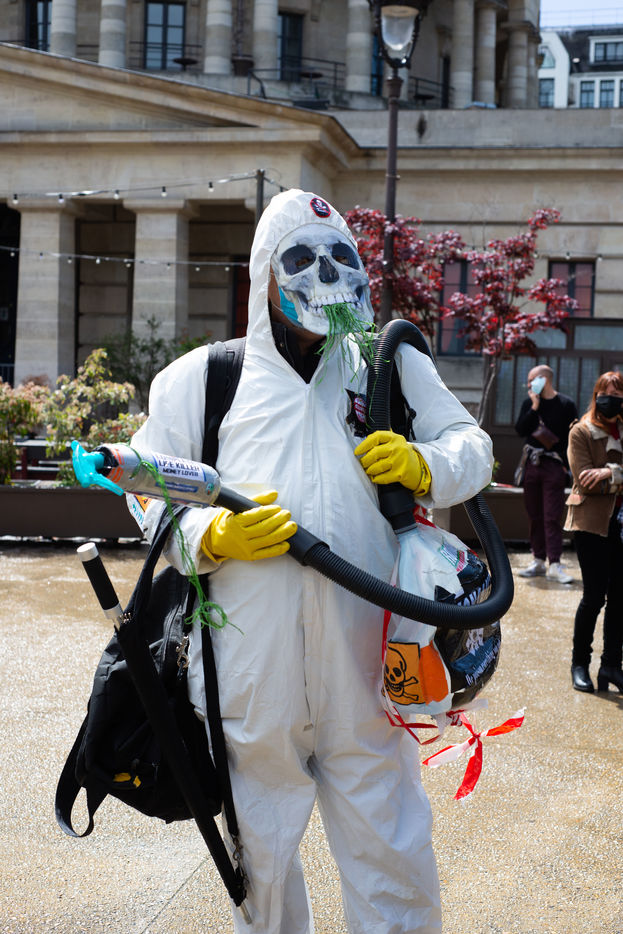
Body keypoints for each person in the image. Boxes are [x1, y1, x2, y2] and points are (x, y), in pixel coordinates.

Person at [129, 189, 494, 934]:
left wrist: (424, 465)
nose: (324, 274)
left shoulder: (386, 367)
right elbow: (146, 490)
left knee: (392, 854)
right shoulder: (204, 381)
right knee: (258, 867)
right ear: (264, 271)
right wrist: (210, 537)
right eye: (300, 258)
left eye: (340, 256)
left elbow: (472, 448)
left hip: (368, 666)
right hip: (249, 669)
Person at [564, 371, 623, 694]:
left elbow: (601, 479)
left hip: (620, 525)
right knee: (594, 597)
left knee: (620, 599)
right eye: (605, 393)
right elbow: (585, 479)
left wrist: (609, 473)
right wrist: (613, 477)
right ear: (596, 395)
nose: (610, 399)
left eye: (617, 394)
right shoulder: (581, 431)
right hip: (591, 525)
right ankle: (580, 664)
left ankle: (612, 666)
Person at [515, 364, 578, 583]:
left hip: (554, 465)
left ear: (544, 379)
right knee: (534, 514)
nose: (529, 384)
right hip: (532, 463)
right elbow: (520, 430)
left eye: (532, 380)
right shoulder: (530, 403)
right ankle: (538, 560)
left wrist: (566, 465)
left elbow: (573, 437)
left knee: (552, 516)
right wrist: (534, 407)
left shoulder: (566, 404)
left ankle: (555, 564)